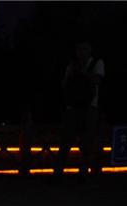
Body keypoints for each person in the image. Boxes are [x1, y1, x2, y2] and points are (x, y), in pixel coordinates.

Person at [55, 40, 104, 178]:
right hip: (73, 107)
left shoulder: (97, 63)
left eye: (84, 49)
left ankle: (83, 173)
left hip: (89, 107)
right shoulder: (72, 64)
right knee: (66, 141)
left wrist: (82, 73)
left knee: (87, 141)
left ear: (90, 50)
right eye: (79, 49)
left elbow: (98, 80)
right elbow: (65, 83)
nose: (81, 52)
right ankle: (59, 172)